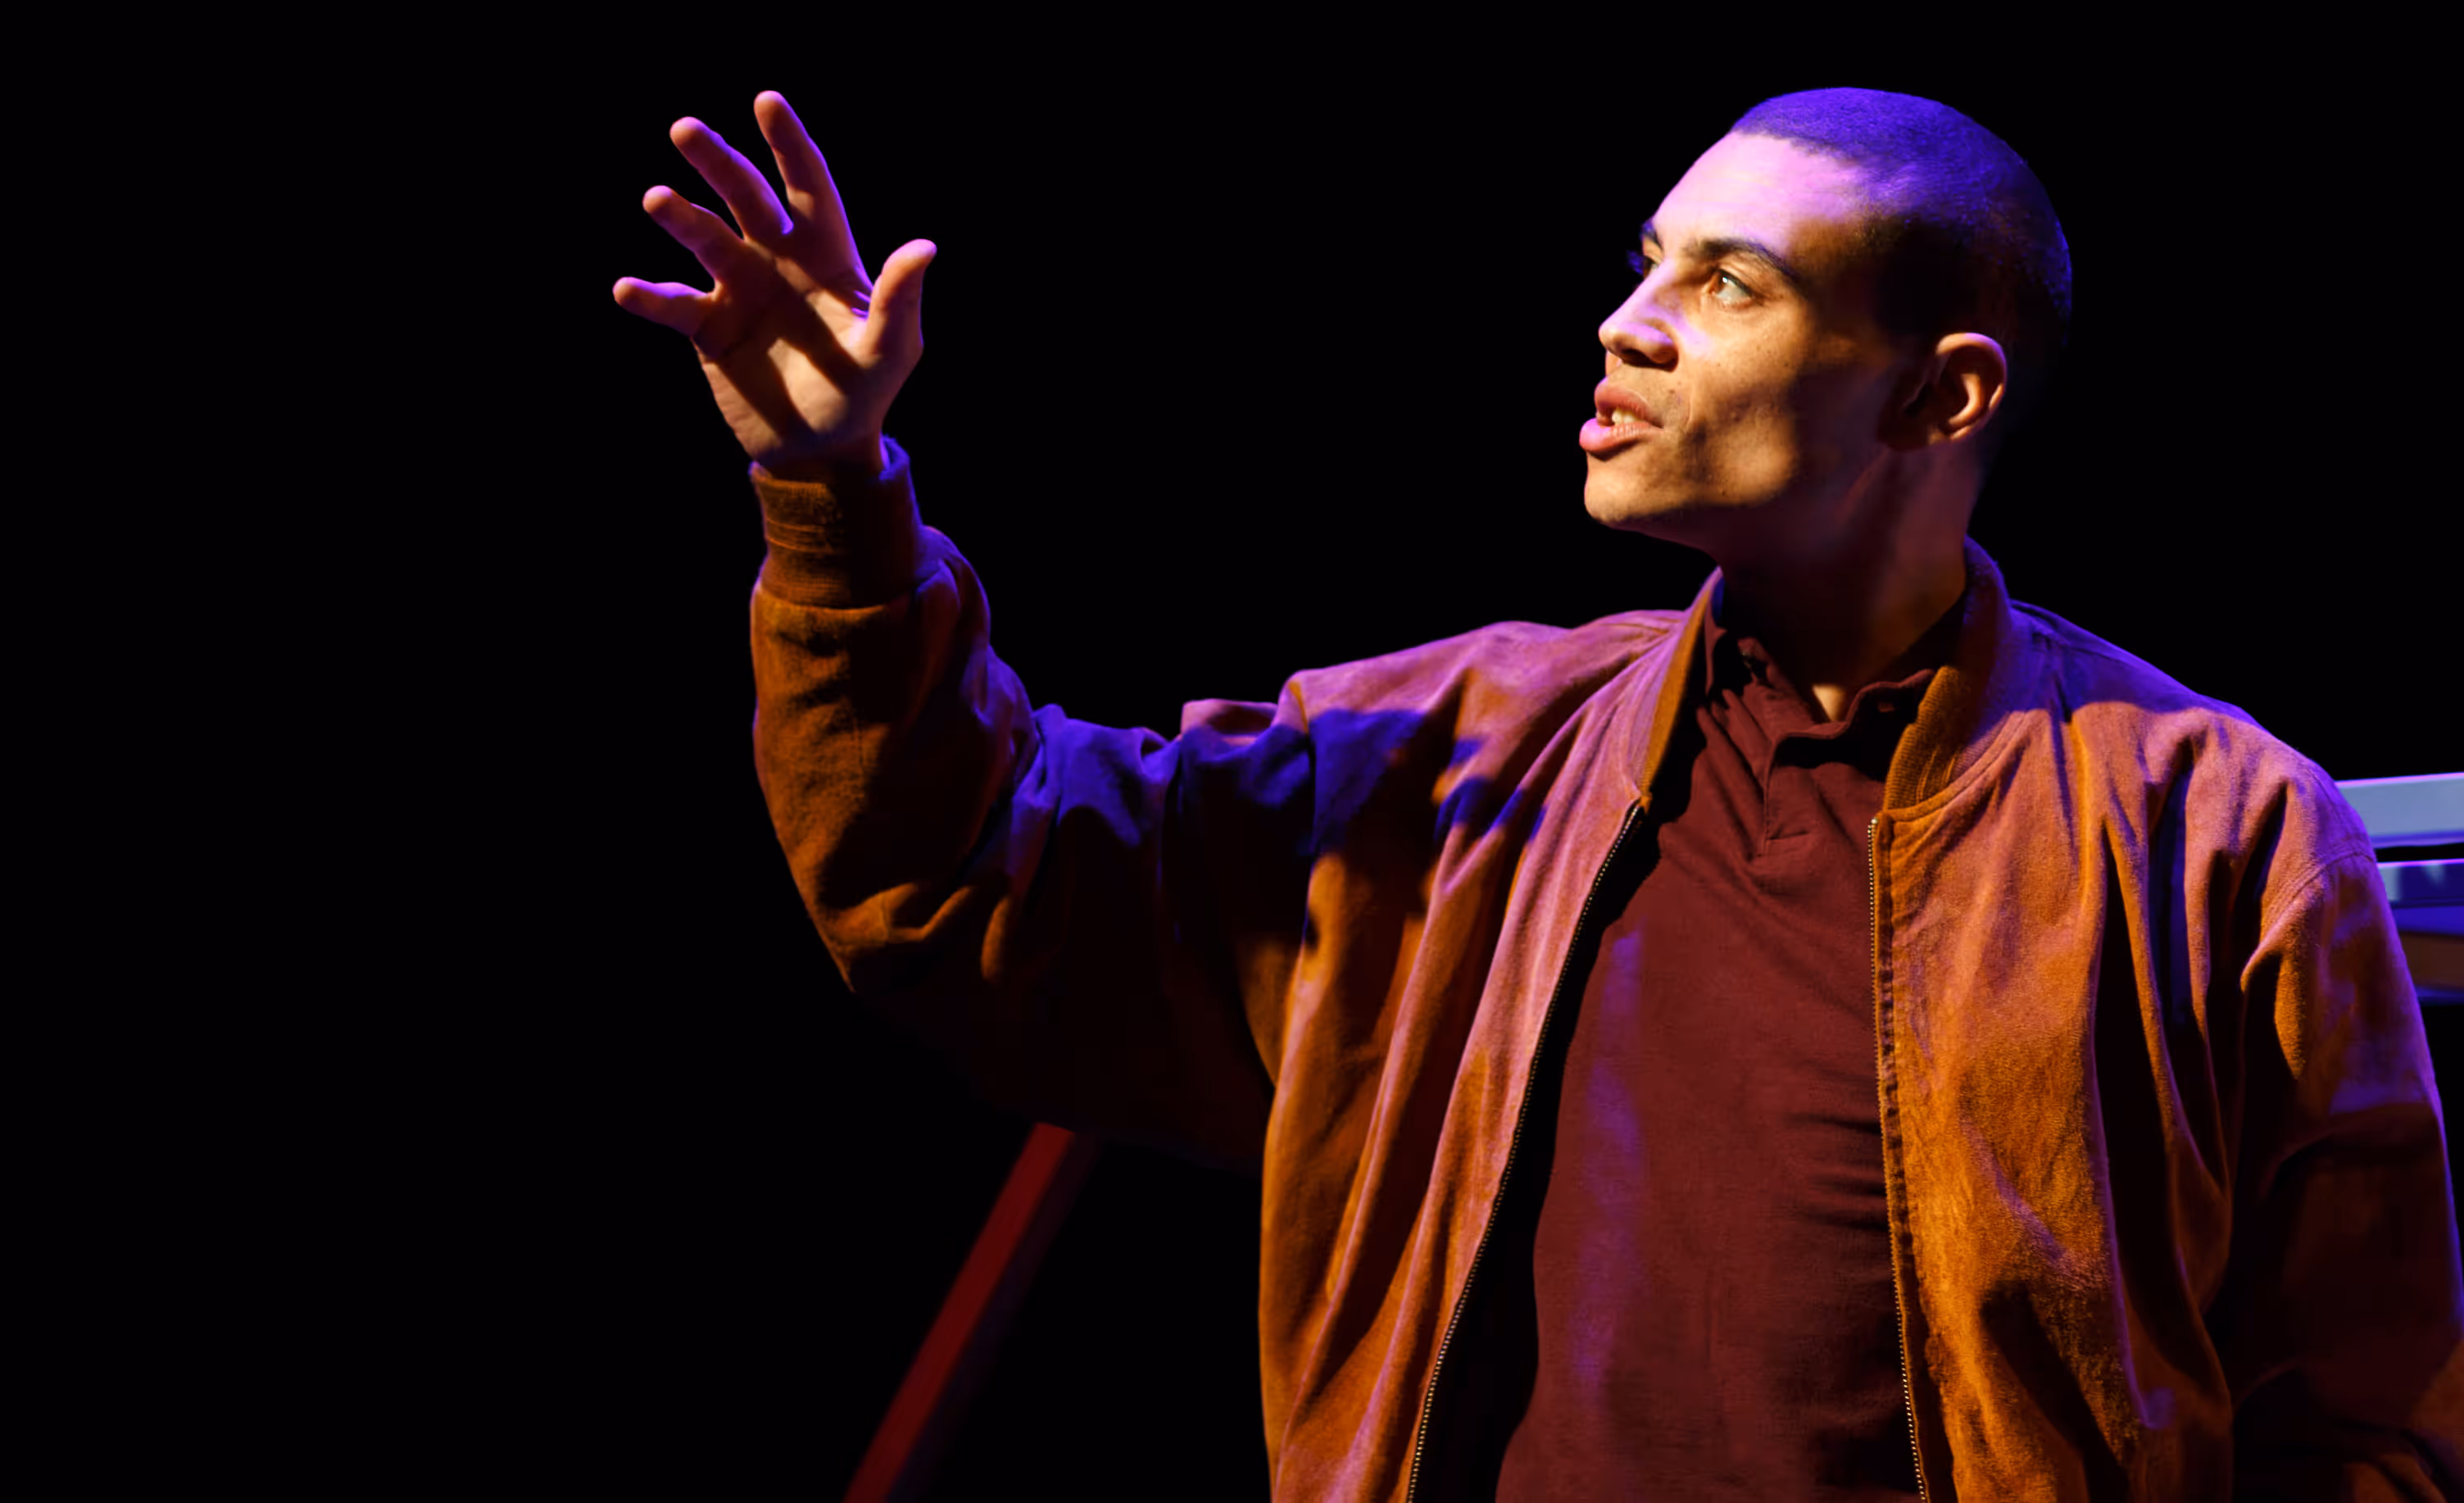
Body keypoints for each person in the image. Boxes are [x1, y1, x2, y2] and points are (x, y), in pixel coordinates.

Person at [610, 88, 2462, 1500]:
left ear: (1937, 397)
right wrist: (834, 491)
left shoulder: (2212, 826)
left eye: (1724, 283)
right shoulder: (1457, 748)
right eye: (1646, 258)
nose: (1625, 322)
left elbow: (2368, 1418)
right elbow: (973, 877)